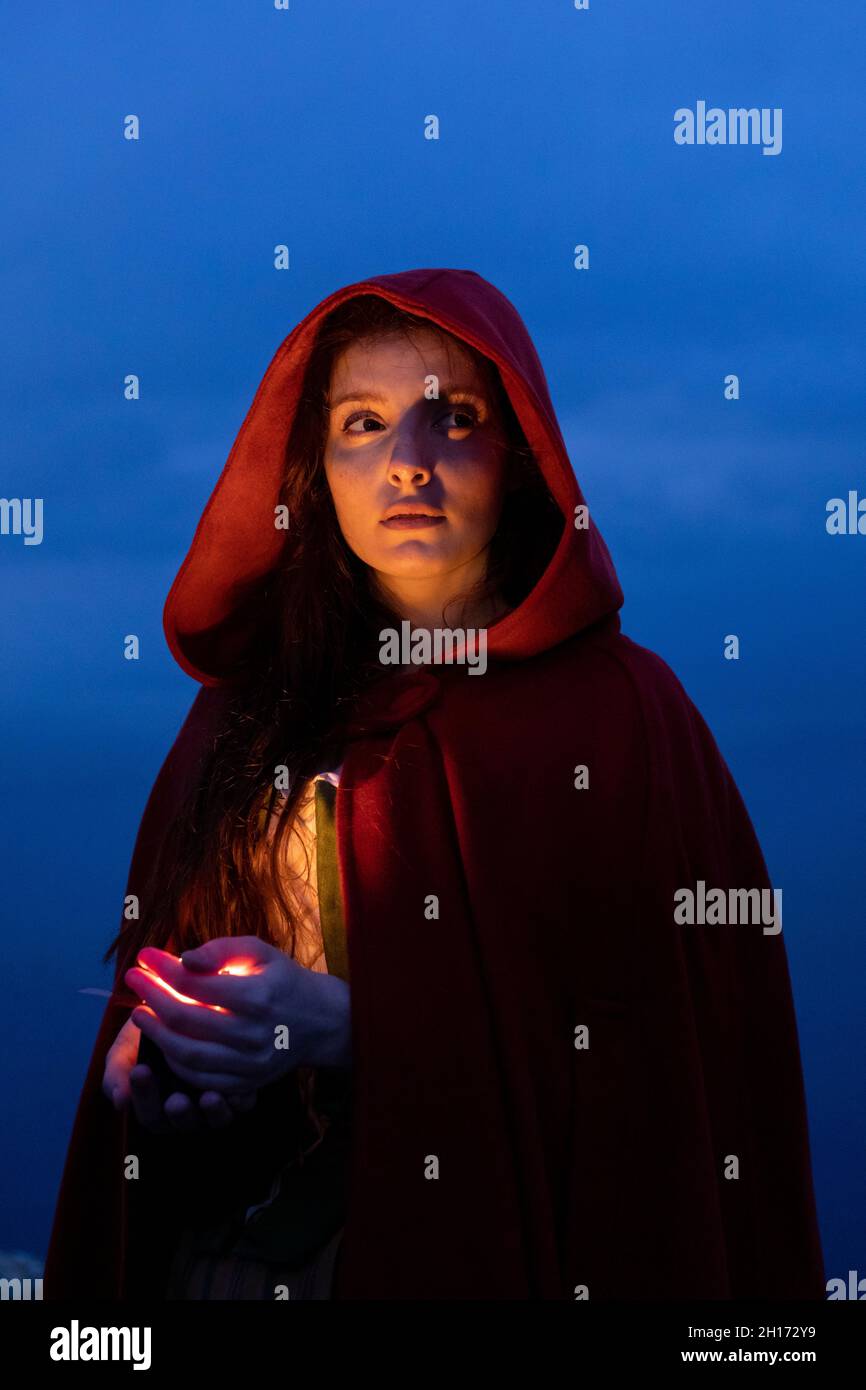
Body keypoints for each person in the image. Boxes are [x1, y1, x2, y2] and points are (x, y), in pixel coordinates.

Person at [44, 267, 825, 1301]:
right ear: (314, 466)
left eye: (452, 417)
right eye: (361, 424)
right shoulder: (244, 714)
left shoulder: (622, 720)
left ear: (517, 456)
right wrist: (168, 1066)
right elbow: (178, 1011)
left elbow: (661, 1073)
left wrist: (345, 1026)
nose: (406, 464)